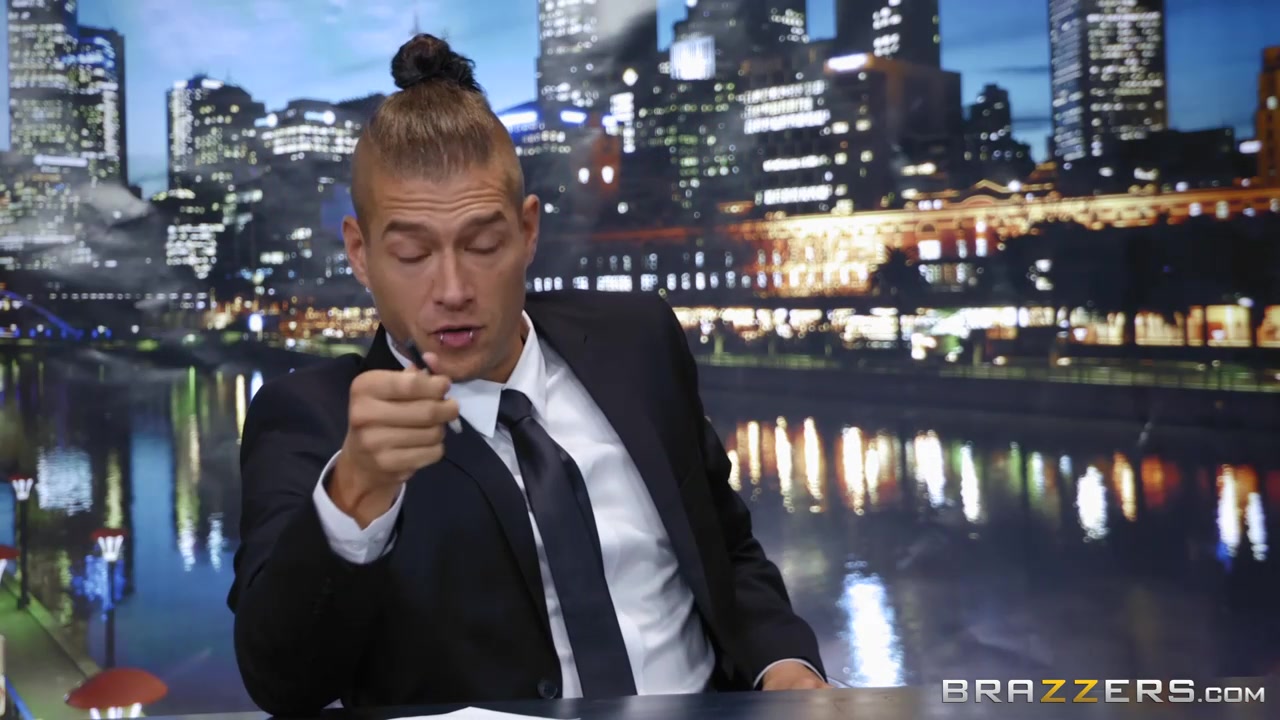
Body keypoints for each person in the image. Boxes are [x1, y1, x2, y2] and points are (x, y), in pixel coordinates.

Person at [227, 34, 828, 715]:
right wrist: (355, 495)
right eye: (413, 255)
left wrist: (784, 665)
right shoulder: (309, 419)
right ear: (360, 254)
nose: (453, 290)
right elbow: (283, 682)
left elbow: (726, 551)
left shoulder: (637, 341)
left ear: (527, 231)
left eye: (483, 245)